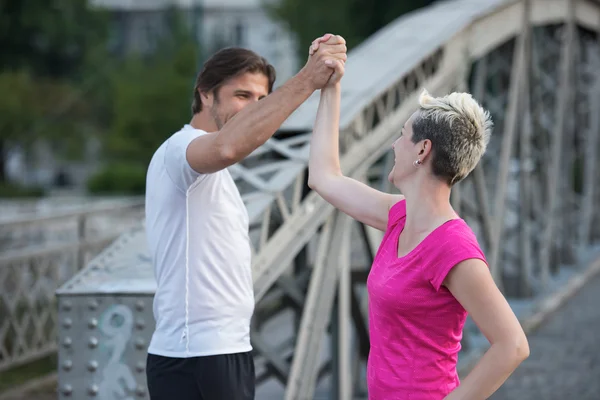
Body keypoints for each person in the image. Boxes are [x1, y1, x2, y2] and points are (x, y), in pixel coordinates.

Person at [307, 41, 529, 399]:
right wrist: (331, 88)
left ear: (422, 151)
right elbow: (324, 177)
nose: (394, 145)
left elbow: (513, 345)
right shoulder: (399, 217)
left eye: (402, 135)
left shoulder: (452, 247)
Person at [144, 35, 347, 400]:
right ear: (205, 94)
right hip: (200, 354)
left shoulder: (214, 173)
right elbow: (227, 146)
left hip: (219, 350)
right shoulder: (179, 151)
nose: (254, 109)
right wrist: (308, 79)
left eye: (261, 101)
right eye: (243, 96)